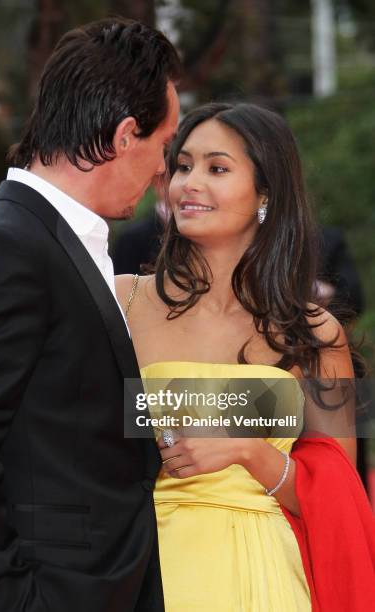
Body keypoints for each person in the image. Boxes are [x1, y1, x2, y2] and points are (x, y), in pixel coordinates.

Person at [0, 18, 180, 612]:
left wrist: (263, 415)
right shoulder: (6, 245)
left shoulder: (64, 241)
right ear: (123, 135)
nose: (165, 169)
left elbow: (80, 411)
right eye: (165, 146)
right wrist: (7, 599)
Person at [116, 102, 375, 611]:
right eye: (183, 165)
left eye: (217, 168)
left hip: (264, 576)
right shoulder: (120, 302)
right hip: (141, 570)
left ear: (265, 194)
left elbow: (340, 501)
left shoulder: (316, 332)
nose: (190, 182)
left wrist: (251, 452)